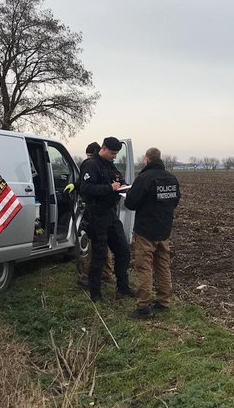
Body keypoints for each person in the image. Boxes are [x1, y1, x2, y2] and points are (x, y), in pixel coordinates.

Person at [123, 147, 181, 319]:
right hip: (164, 231)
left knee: (144, 267)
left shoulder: (145, 178)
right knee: (163, 266)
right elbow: (175, 200)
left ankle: (143, 307)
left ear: (147, 159)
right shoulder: (171, 178)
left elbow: (131, 203)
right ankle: (164, 301)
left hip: (145, 231)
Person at [78, 136, 134, 302]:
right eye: (112, 153)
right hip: (96, 214)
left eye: (116, 154)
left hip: (110, 213)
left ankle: (123, 288)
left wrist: (124, 186)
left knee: (123, 250)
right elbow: (86, 188)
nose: (114, 156)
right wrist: (109, 188)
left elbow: (118, 181)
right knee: (100, 255)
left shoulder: (110, 165)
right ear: (103, 148)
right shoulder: (91, 165)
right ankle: (95, 293)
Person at [76, 142, 115, 288]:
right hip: (103, 209)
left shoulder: (101, 166)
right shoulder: (99, 165)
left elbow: (91, 187)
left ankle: (98, 274)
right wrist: (76, 184)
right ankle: (103, 272)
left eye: (90, 156)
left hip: (100, 210)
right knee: (100, 243)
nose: (89, 159)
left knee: (99, 244)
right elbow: (85, 183)